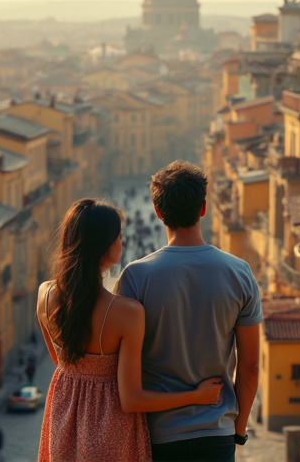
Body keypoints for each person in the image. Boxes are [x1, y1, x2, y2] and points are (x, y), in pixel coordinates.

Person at [36, 198, 223, 462]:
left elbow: (61, 361)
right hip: (109, 430)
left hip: (64, 424)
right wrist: (196, 395)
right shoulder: (126, 313)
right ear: (104, 245)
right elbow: (132, 399)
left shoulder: (44, 295)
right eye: (119, 236)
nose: (122, 242)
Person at [115, 161, 262, 462]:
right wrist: (239, 429)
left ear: (158, 212)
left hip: (158, 436)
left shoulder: (135, 277)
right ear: (204, 208)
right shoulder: (240, 273)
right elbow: (250, 366)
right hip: (216, 433)